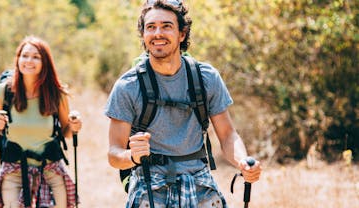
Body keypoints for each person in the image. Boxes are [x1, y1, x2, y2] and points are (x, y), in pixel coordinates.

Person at [105, 1, 262, 207]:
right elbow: (114, 154)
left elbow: (228, 135)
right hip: (150, 187)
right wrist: (132, 156)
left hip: (200, 183)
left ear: (182, 34)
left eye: (167, 26)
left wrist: (243, 162)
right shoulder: (128, 86)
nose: (157, 33)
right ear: (143, 35)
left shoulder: (206, 78)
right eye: (150, 27)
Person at [0, 36, 82, 208]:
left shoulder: (56, 94)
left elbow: (66, 132)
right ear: (18, 59)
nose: (29, 61)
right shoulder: (4, 92)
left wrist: (74, 127)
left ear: (45, 62)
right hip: (14, 169)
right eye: (25, 56)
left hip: (50, 168)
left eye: (36, 57)